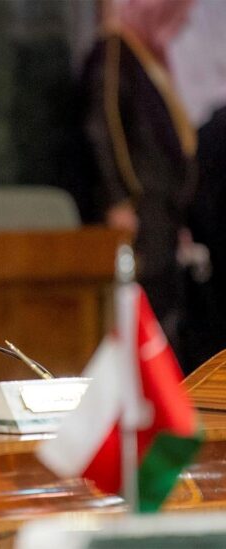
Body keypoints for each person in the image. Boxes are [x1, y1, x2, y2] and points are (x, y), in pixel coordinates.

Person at [80, 0, 197, 365]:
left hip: (161, 212)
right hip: (139, 214)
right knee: (143, 315)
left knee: (163, 313)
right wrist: (118, 201)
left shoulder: (142, 54)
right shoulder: (114, 49)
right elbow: (104, 127)